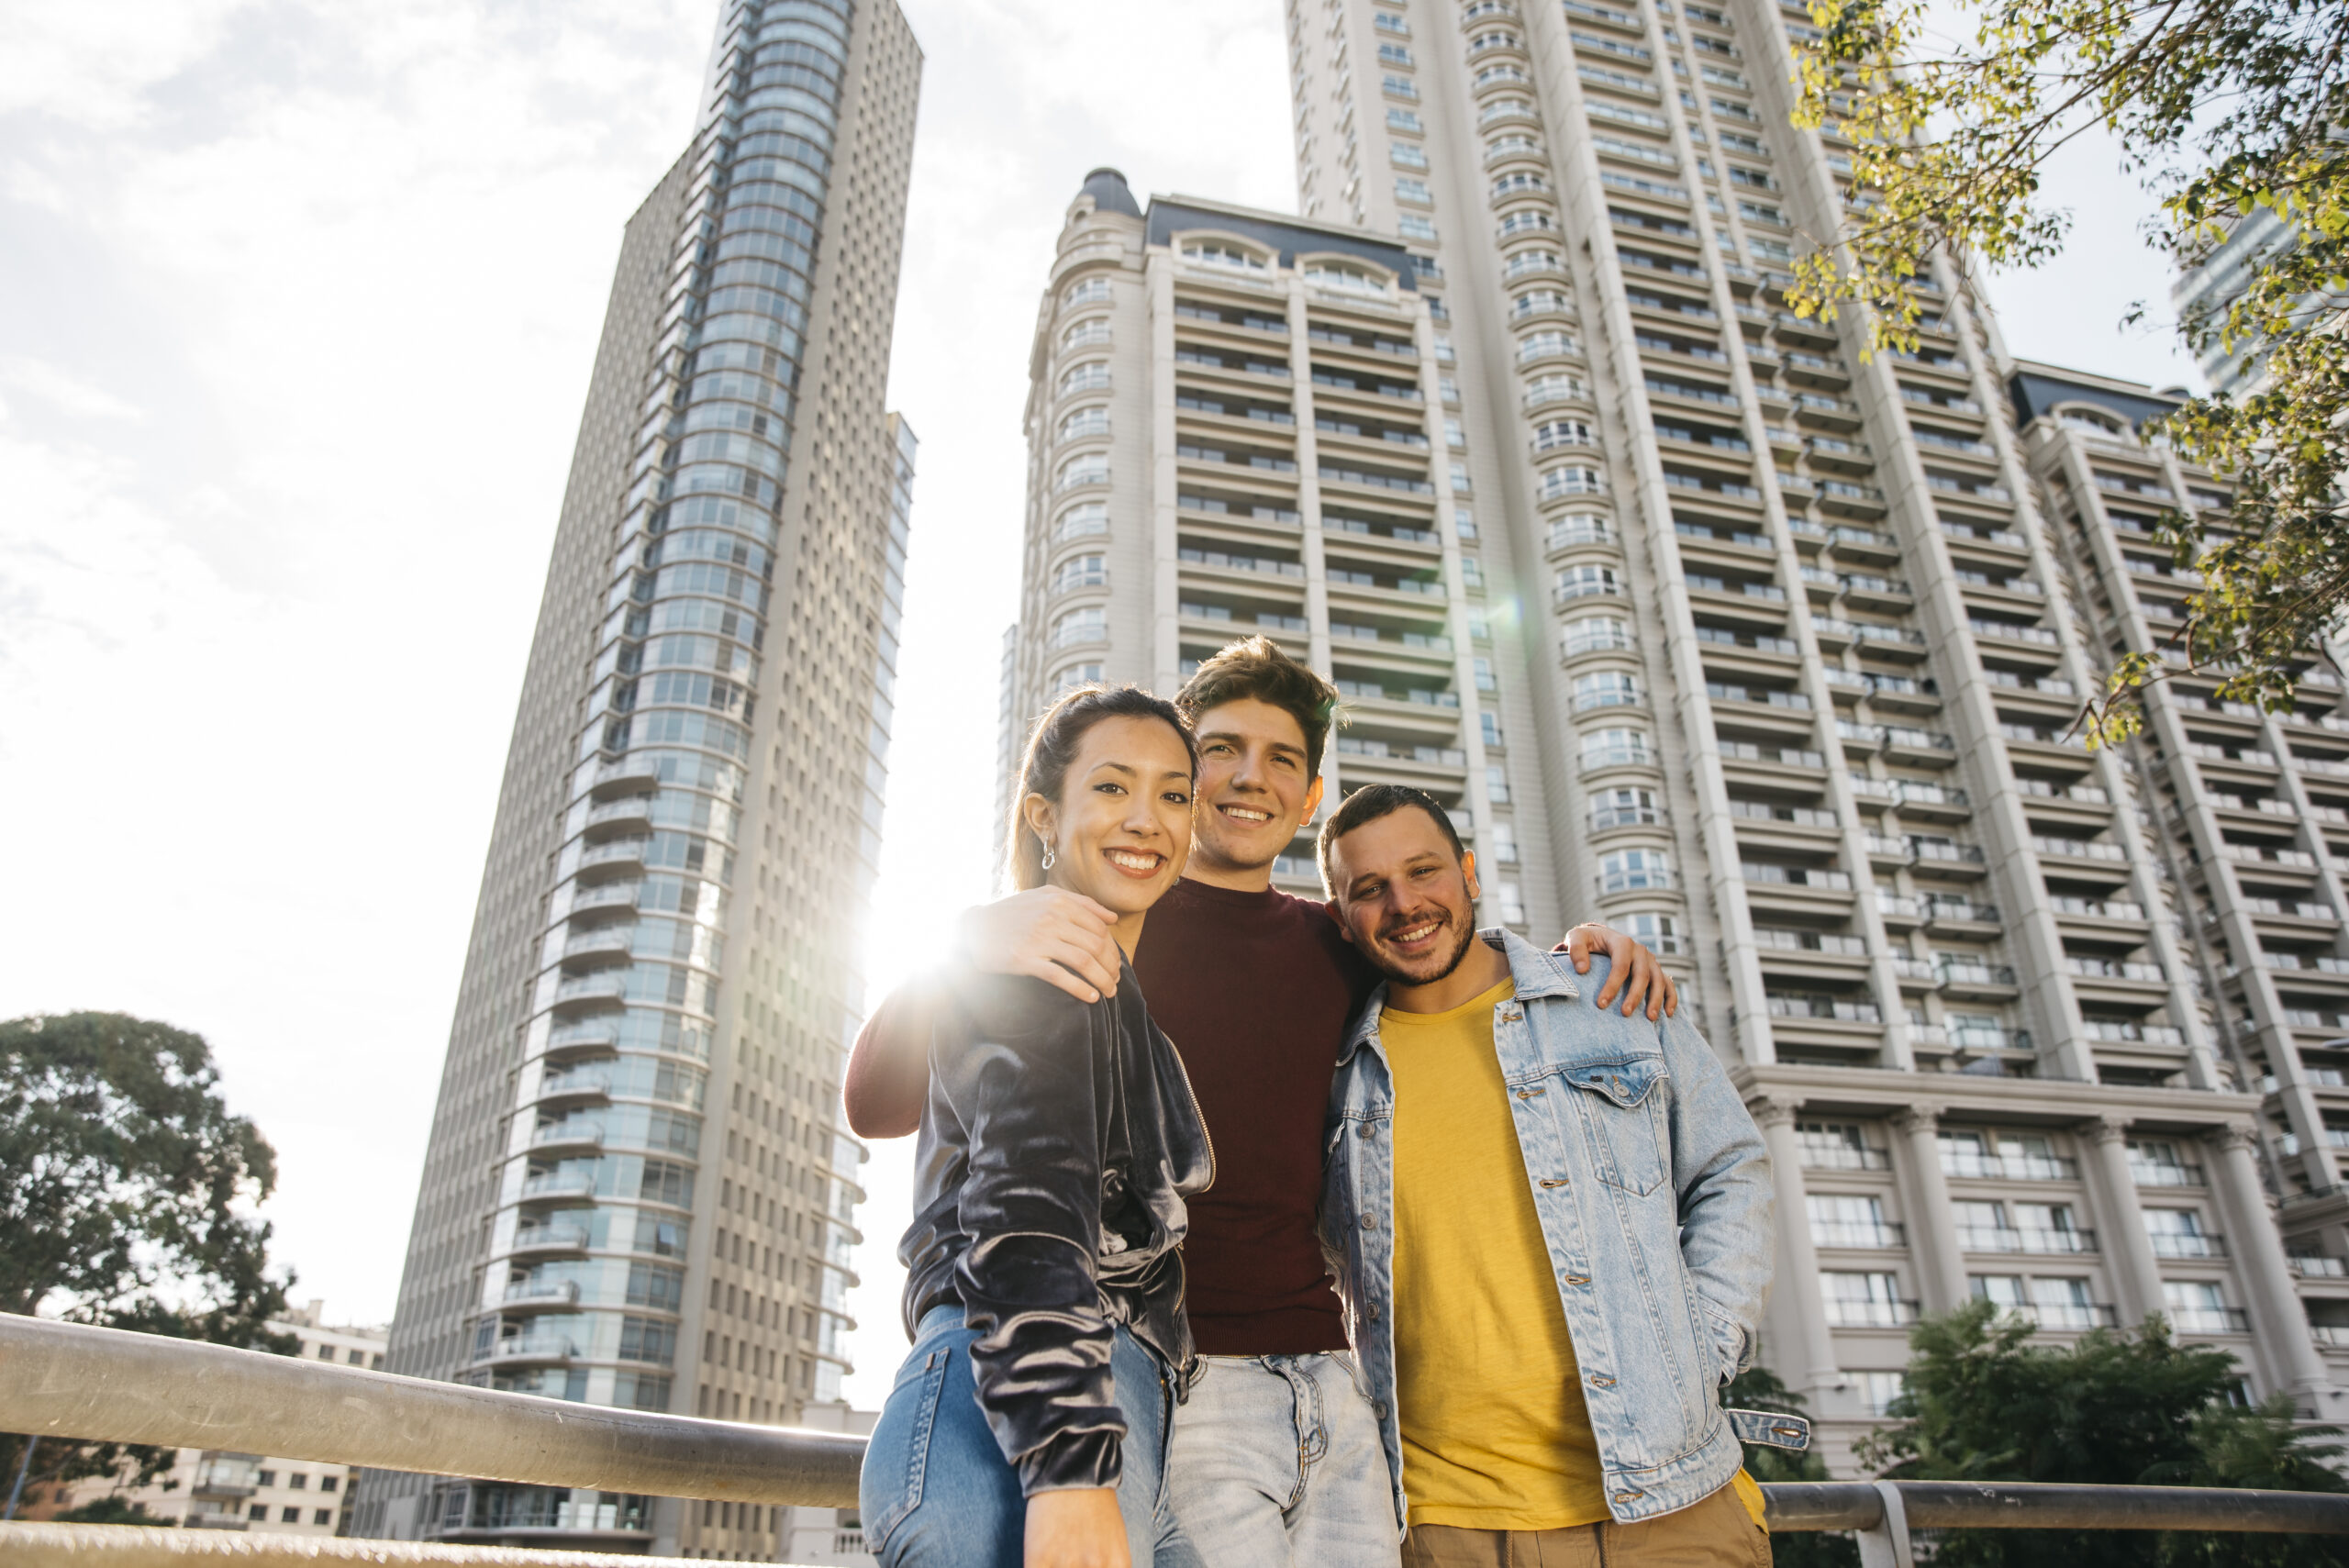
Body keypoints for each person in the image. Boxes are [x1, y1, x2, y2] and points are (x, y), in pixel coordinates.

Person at [847, 637, 1680, 1565]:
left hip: (1330, 1373)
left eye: (1282, 758)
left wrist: (1584, 954)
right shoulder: (1086, 921)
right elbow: (879, 1103)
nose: (1250, 778)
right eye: (1220, 751)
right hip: (1168, 1374)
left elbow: (1451, 958)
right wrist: (967, 937)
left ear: (1310, 795)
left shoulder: (1335, 945)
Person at [1315, 783, 1806, 1567]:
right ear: (1340, 917)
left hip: (1672, 1506)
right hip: (1447, 1526)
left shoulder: (1609, 996)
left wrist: (1706, 1343)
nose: (1404, 903)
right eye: (1369, 889)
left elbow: (1729, 1167)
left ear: (1469, 872)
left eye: (1424, 870)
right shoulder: (1333, 1068)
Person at [859, 684, 1214, 1568]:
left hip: (1096, 1401)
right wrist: (1068, 1472)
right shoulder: (1047, 965)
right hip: (1034, 1406)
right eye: (1111, 787)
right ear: (1043, 814)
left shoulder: (1087, 974)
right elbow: (1027, 1218)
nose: (1147, 819)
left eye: (1174, 794)